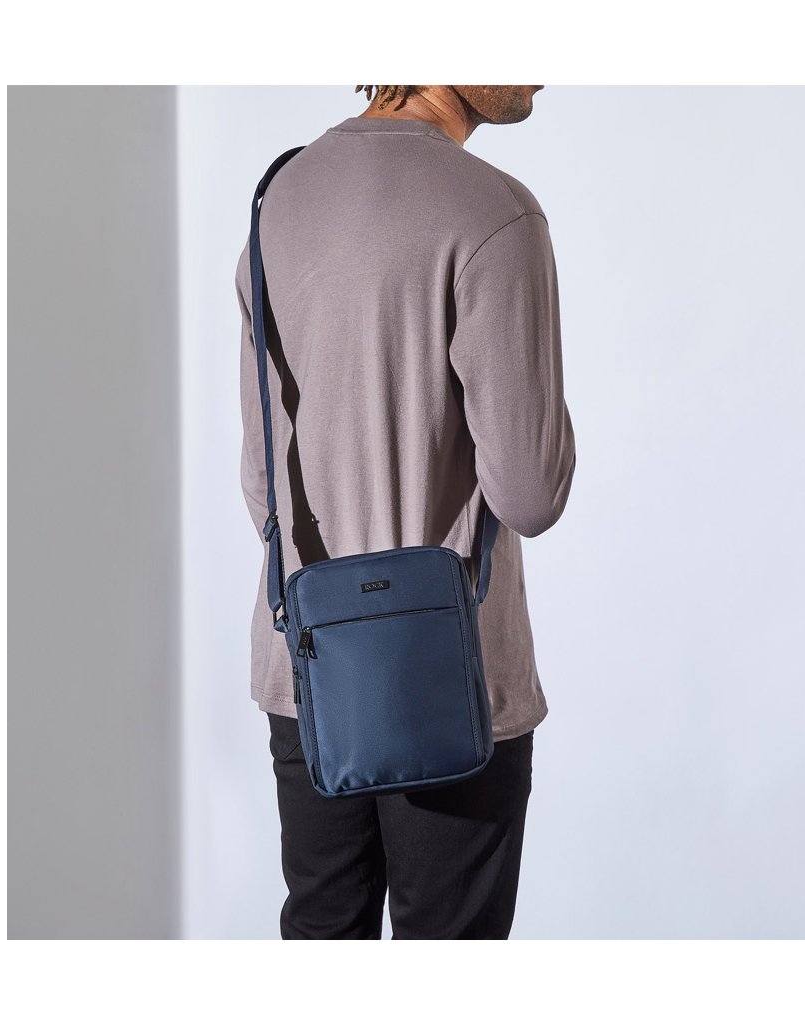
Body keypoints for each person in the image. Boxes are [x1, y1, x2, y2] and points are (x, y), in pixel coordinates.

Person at [235, 85, 576, 939]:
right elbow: (531, 494)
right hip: (449, 681)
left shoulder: (277, 201)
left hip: (309, 673)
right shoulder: (496, 214)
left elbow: (262, 484)